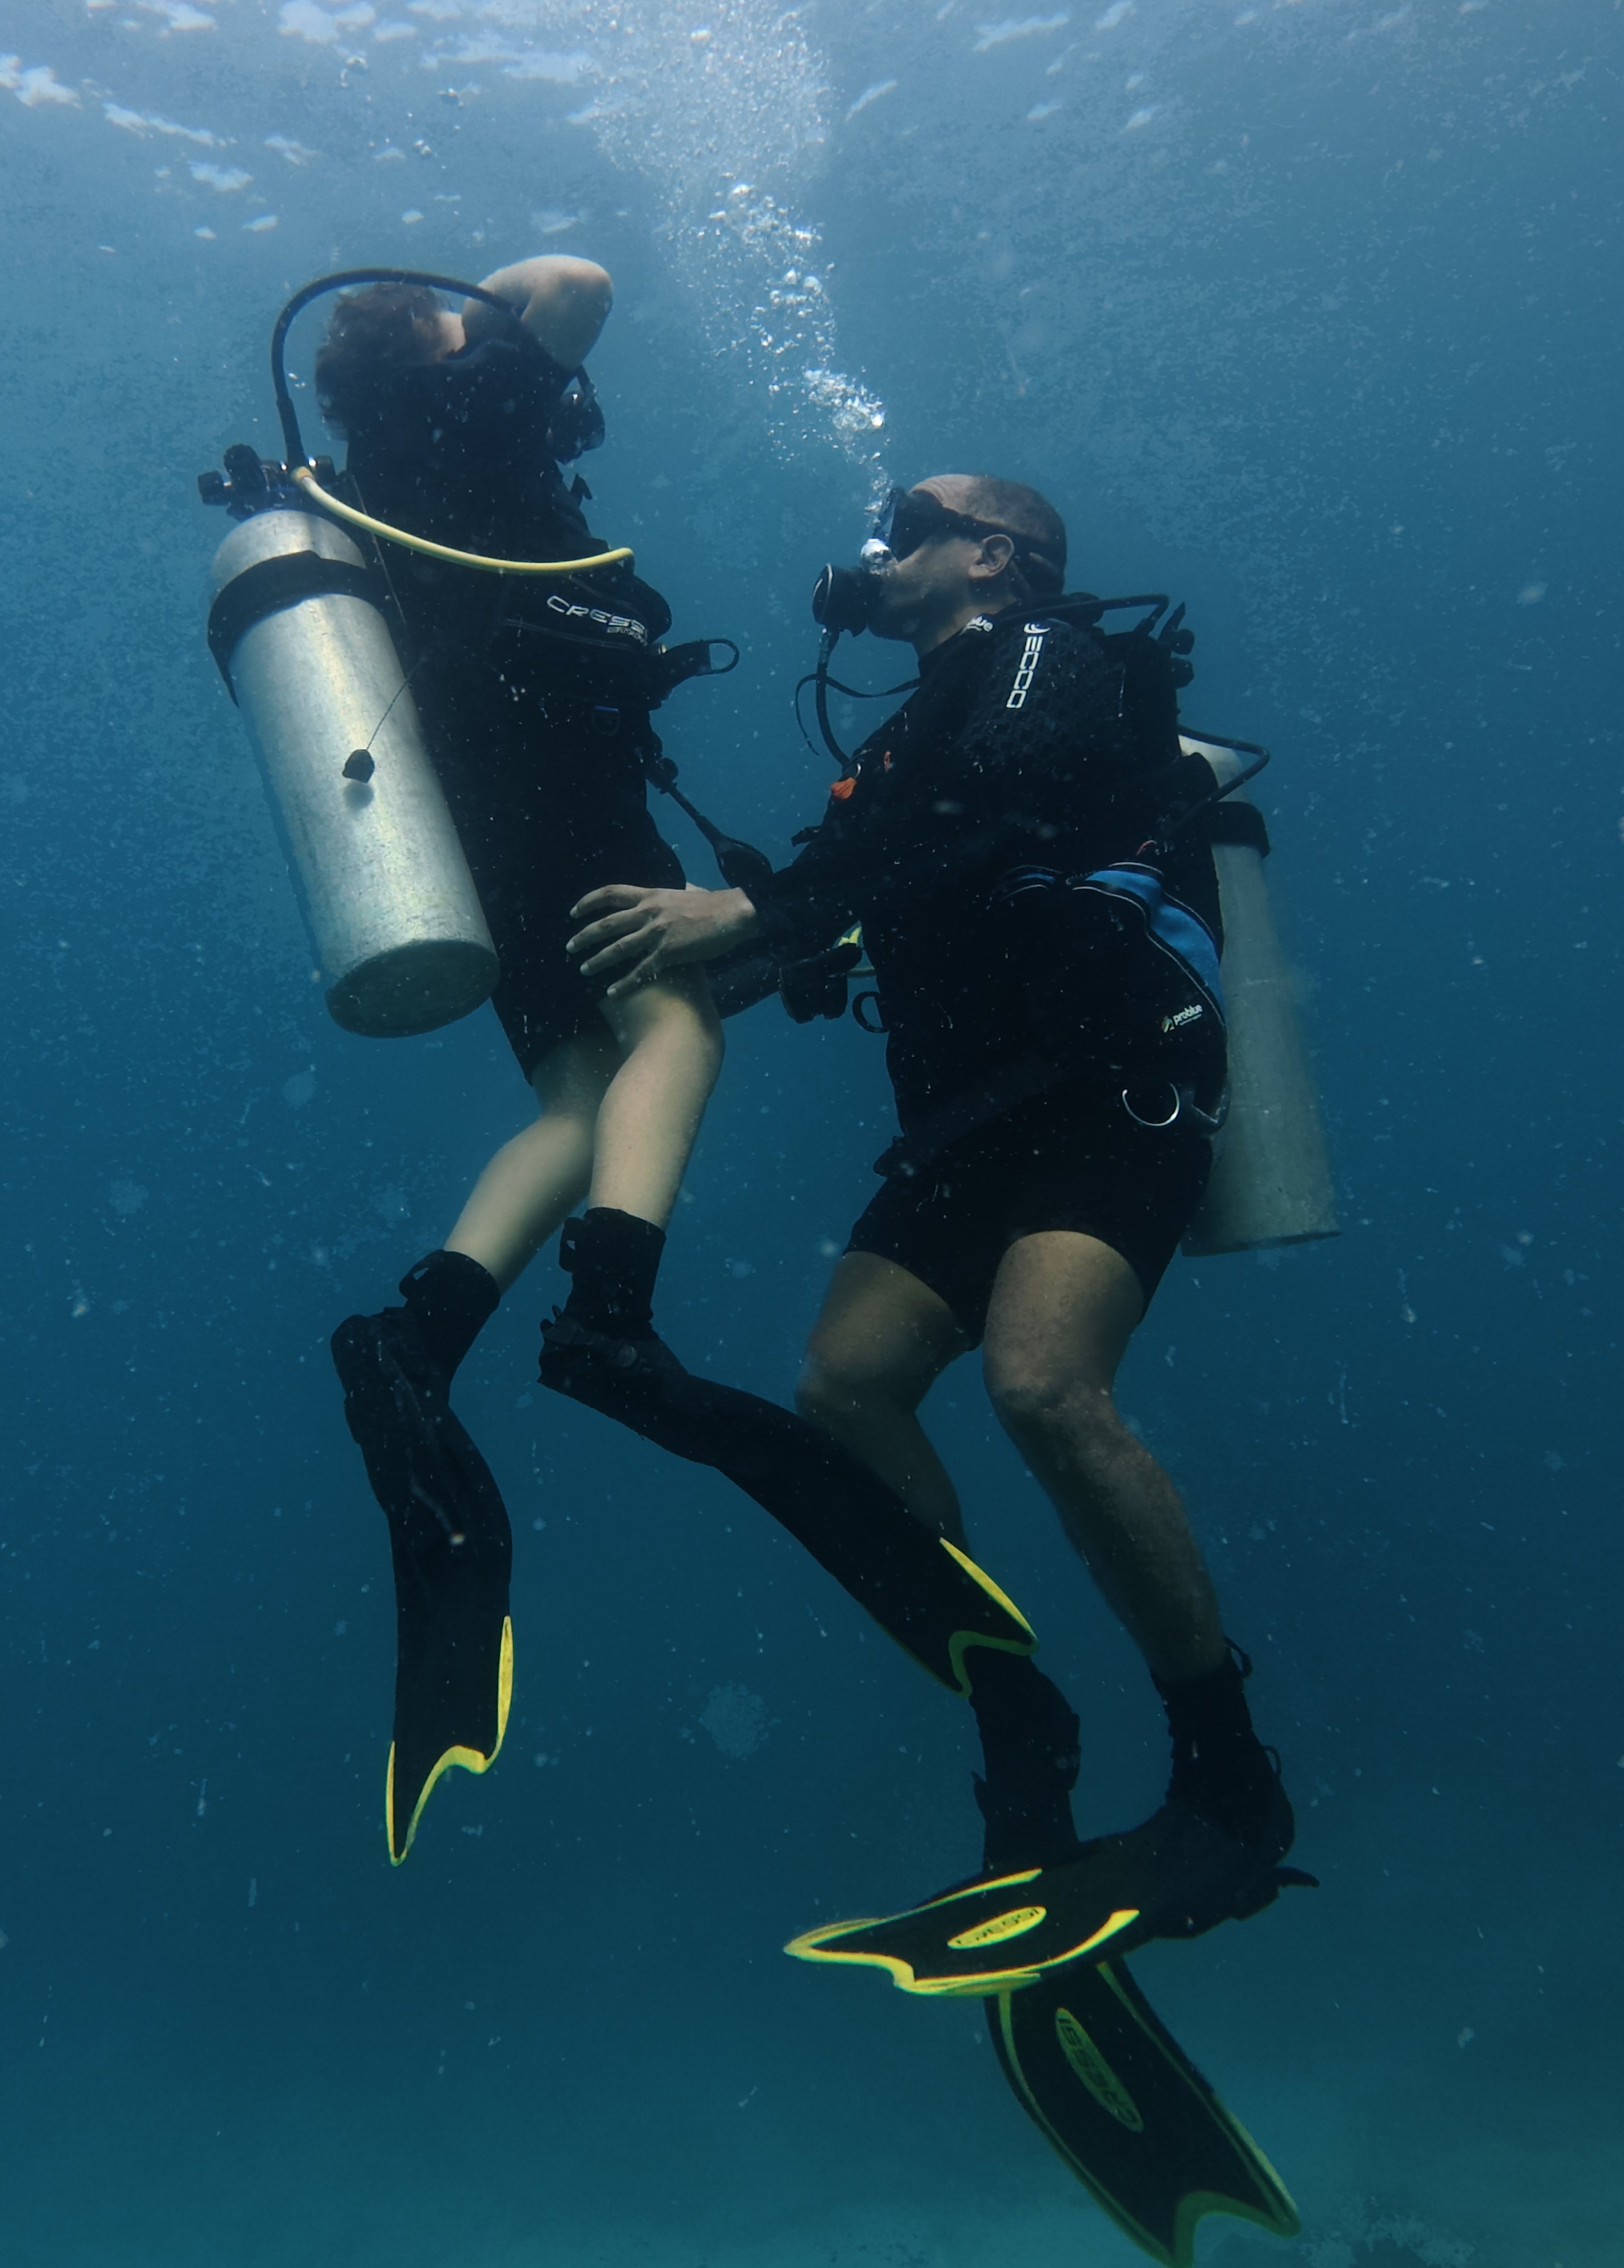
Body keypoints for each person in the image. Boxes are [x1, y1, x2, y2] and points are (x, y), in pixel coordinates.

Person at [539, 474, 1301, 1991]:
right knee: (847, 1383)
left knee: (1045, 1386)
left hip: (1109, 1075)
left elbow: (995, 806)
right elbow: (864, 897)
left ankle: (1230, 1784)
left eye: (913, 518)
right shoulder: (901, 741)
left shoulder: (1043, 654)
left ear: (994, 555)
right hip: (972, 1116)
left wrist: (752, 916)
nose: (879, 543)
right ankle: (1016, 1712)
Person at [303, 256, 735, 1863]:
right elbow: (580, 279)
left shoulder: (380, 473)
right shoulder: (470, 407)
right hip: (559, 784)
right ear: (427, 347)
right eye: (446, 319)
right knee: (675, 1025)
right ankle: (610, 1314)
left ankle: (415, 1335)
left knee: (575, 1091)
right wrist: (467, 310)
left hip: (474, 815)